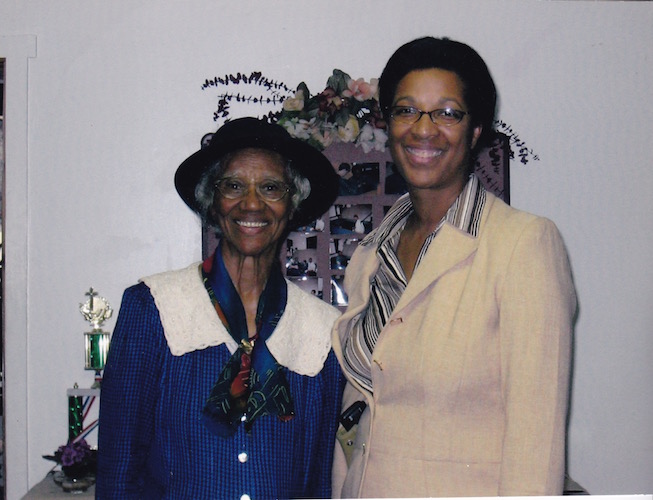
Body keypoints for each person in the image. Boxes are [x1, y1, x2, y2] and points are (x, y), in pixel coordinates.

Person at [331, 37, 577, 498]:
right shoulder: (370, 254)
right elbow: (358, 417)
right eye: (407, 111)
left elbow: (536, 442)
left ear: (476, 129)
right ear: (389, 124)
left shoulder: (522, 244)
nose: (424, 129)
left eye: (447, 112)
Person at [97, 117, 343, 499]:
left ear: (292, 204)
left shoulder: (322, 332)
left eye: (271, 188)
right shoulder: (154, 308)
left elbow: (318, 486)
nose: (251, 203)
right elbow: (118, 475)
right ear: (212, 202)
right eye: (233, 185)